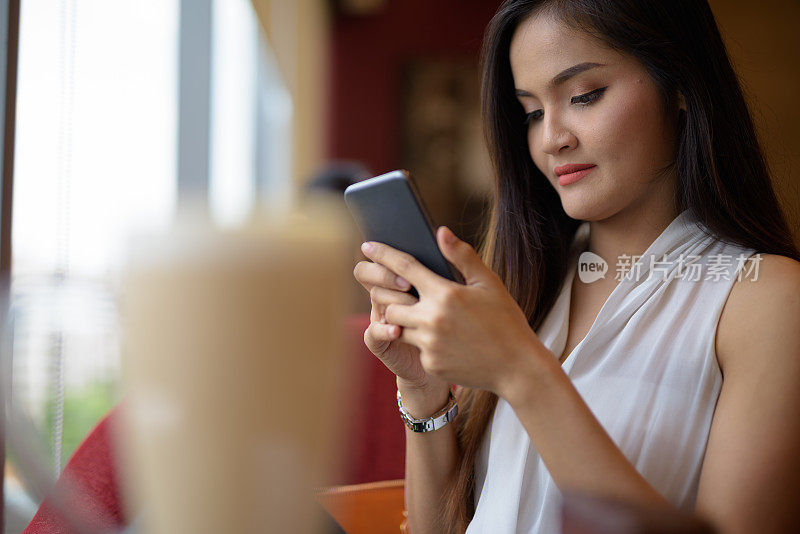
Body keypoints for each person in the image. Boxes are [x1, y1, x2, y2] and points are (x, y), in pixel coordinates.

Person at [352, 1, 800, 533]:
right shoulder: (523, 282)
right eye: (532, 113)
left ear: (680, 83)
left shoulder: (766, 300)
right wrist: (423, 389)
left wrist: (522, 371)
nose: (551, 138)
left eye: (584, 95)